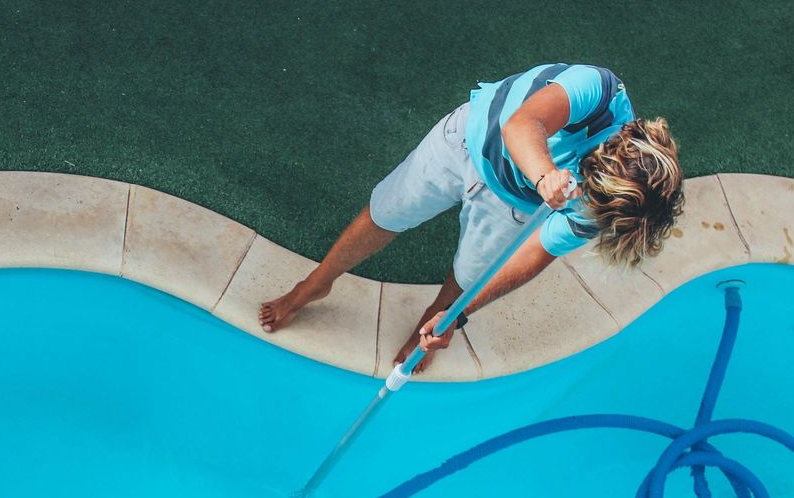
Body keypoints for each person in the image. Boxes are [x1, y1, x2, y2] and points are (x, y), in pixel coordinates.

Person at [258, 63, 684, 370]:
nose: (591, 206)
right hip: (466, 141)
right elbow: (522, 124)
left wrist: (458, 317)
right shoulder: (599, 90)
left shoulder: (606, 210)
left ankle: (432, 322)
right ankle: (314, 285)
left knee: (468, 276)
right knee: (386, 212)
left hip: (515, 209)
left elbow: (535, 254)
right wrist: (544, 178)